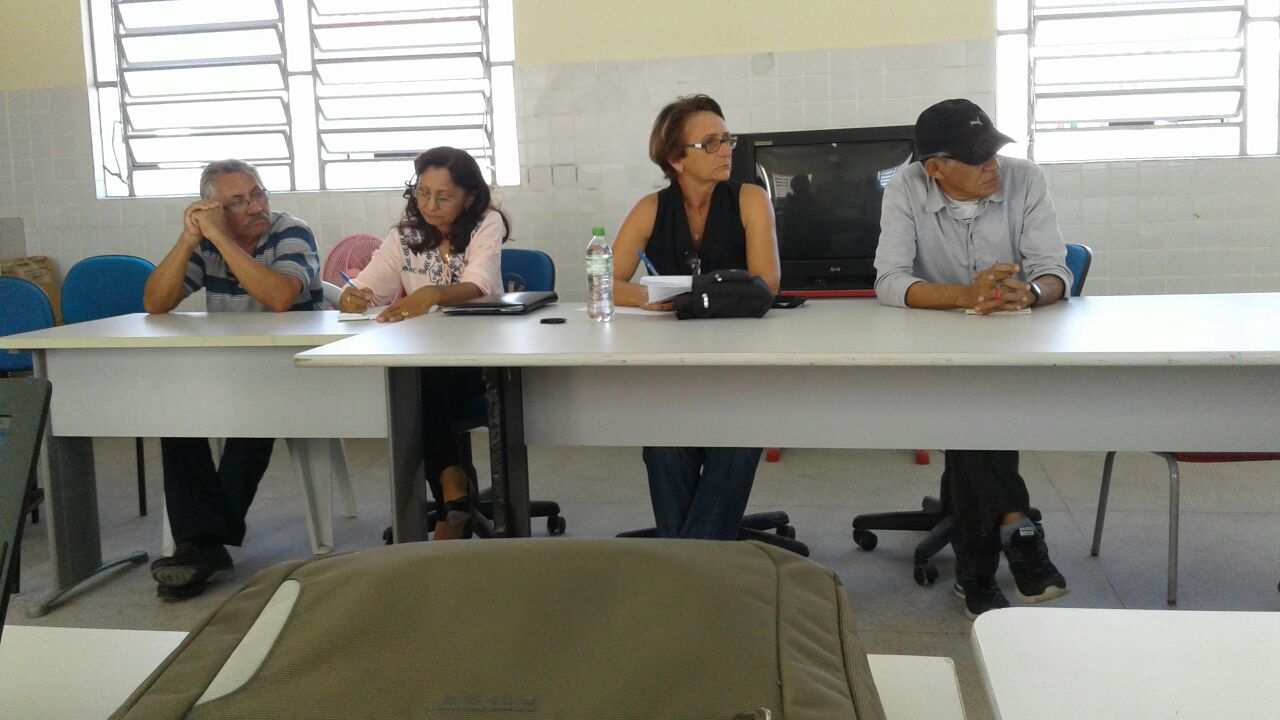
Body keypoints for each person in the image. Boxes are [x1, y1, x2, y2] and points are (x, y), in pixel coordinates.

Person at [875, 98, 1073, 618]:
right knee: (972, 412)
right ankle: (1015, 527)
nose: (993, 165)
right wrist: (968, 295)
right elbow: (889, 280)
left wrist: (1030, 293)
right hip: (932, 352)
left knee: (973, 418)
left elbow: (1055, 270)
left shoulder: (1025, 178)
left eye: (993, 151)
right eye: (976, 158)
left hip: (1011, 347)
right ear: (935, 168)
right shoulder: (906, 187)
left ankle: (976, 569)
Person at [143, 159, 322, 600]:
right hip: (232, 370)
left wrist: (221, 236)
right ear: (214, 210)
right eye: (238, 202)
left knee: (253, 418)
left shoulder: (290, 231)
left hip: (296, 369)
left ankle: (199, 545)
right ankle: (204, 545)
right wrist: (190, 238)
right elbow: (156, 302)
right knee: (176, 416)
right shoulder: (205, 245)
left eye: (258, 194)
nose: (256, 207)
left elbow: (280, 297)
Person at [611, 94, 781, 540]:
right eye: (710, 143)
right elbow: (604, 284)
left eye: (727, 139)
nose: (727, 150)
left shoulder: (750, 199)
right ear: (676, 159)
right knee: (664, 445)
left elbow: (766, 284)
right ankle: (700, 560)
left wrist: (684, 297)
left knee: (735, 445)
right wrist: (647, 297)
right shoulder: (651, 208)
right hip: (672, 365)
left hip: (740, 364)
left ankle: (686, 563)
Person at [338, 146, 506, 540]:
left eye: (443, 197)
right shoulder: (405, 234)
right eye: (422, 193)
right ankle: (452, 492)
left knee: (417, 378)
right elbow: (370, 287)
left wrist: (431, 294)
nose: (429, 205)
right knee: (416, 373)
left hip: (481, 361)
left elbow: (480, 283)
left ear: (469, 198)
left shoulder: (486, 223)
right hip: (427, 362)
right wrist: (353, 296)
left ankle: (451, 491)